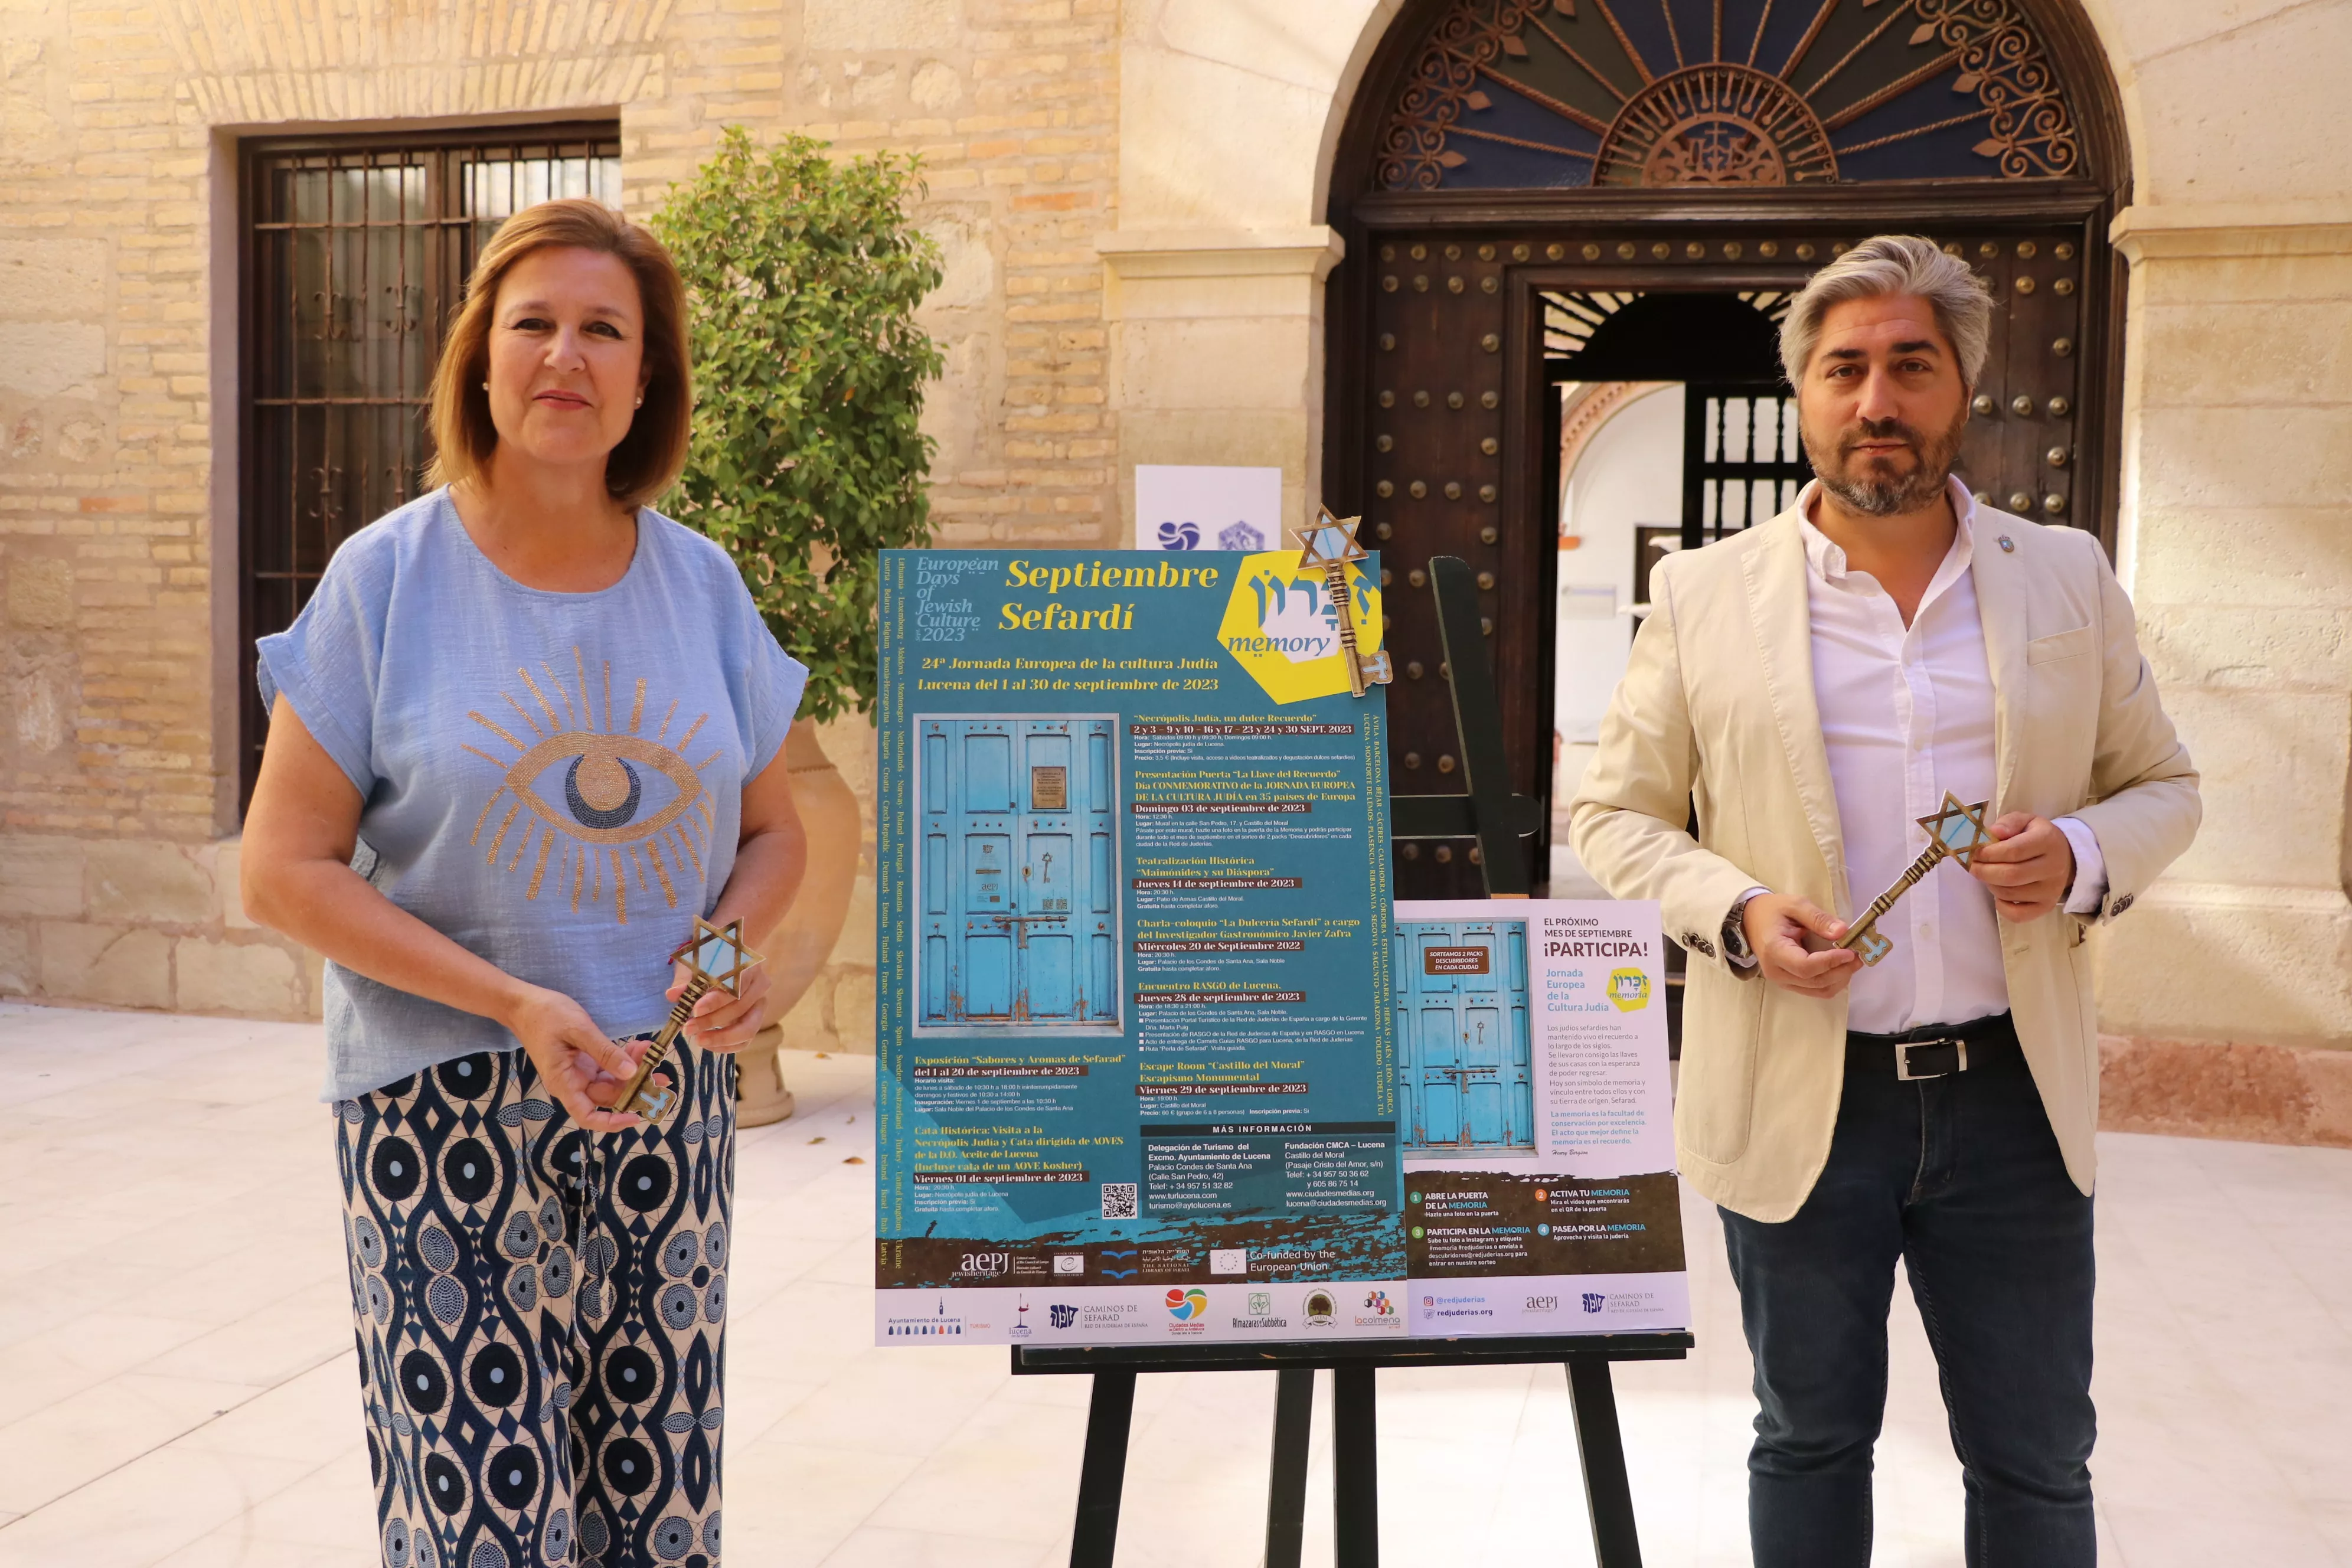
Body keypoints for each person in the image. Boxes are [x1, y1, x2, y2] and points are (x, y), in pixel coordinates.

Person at [1570, 234, 2200, 1566]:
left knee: (2035, 1459)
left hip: (2012, 1097)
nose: (1877, 400)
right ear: (1803, 390)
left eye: (1910, 364)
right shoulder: (1701, 593)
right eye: (1844, 368)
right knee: (1808, 1437)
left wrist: (2082, 853)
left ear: (1961, 385)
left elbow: (2164, 784)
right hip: (1805, 1092)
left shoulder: (2066, 576)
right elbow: (1613, 812)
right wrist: (1737, 908)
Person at [241, 197, 810, 1568]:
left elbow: (773, 832)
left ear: (647, 378)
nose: (567, 354)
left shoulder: (707, 587)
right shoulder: (385, 579)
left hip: (660, 1108)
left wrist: (720, 970)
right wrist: (510, 1000)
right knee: (480, 1523)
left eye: (603, 329)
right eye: (533, 324)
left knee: (656, 1512)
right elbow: (279, 867)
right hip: (439, 1114)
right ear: (481, 363)